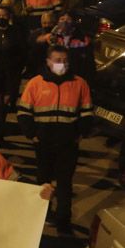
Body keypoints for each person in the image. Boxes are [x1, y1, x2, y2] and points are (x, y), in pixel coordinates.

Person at [17, 45, 93, 234]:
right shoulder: (35, 83)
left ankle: (63, 220)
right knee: (43, 182)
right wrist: (32, 134)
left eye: (65, 61)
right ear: (48, 62)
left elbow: (87, 112)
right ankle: (42, 214)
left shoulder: (79, 83)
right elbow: (24, 111)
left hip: (68, 144)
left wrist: (80, 133)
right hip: (43, 143)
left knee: (65, 183)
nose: (62, 64)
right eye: (58, 60)